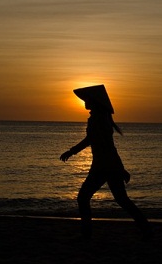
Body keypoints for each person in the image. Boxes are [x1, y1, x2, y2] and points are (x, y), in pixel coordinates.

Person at [60, 85, 152, 239]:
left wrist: (72, 151)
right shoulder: (100, 118)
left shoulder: (98, 119)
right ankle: (146, 229)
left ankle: (86, 233)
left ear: (94, 101)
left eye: (87, 99)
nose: (84, 102)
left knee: (83, 198)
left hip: (103, 167)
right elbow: (99, 143)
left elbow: (103, 145)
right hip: (107, 166)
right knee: (121, 200)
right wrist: (120, 168)